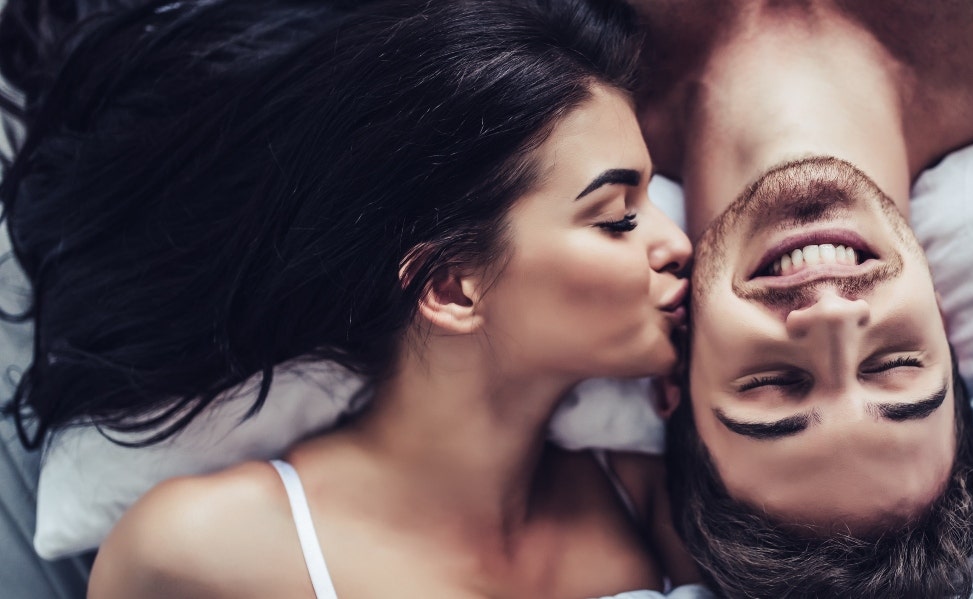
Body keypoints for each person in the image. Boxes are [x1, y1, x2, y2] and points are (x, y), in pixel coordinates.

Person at [0, 0, 703, 596]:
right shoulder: (198, 548)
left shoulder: (648, 499)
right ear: (451, 286)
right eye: (618, 216)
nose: (678, 241)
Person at [627, 0, 973, 596]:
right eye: (893, 364)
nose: (831, 316)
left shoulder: (555, 75)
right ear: (943, 327)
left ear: (675, 374)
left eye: (773, 382)